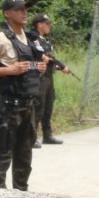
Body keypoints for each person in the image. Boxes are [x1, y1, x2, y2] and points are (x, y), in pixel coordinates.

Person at [0, 0, 47, 191]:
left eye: (25, 8)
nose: (24, 12)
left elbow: (30, 68)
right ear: (7, 14)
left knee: (25, 154)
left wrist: (38, 69)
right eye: (19, 9)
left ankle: (21, 196)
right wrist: (9, 70)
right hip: (10, 107)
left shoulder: (31, 38)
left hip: (30, 106)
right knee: (3, 152)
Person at [28, 13, 69, 146]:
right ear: (39, 25)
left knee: (48, 106)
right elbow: (40, 57)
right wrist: (59, 64)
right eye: (47, 24)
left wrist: (59, 67)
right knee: (38, 106)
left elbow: (50, 59)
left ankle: (47, 135)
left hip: (48, 76)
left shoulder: (45, 40)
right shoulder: (32, 39)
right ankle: (31, 137)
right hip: (38, 77)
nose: (49, 26)